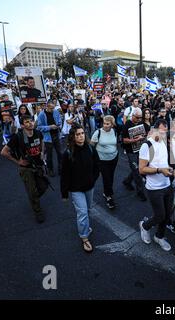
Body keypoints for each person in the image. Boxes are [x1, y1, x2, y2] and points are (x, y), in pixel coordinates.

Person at [61, 124, 99, 253]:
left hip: (89, 186)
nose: (81, 136)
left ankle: (85, 227)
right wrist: (64, 193)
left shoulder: (90, 148)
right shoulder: (67, 153)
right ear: (73, 137)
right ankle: (84, 237)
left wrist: (93, 179)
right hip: (76, 189)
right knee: (82, 213)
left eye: (82, 133)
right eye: (77, 134)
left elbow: (96, 166)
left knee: (88, 210)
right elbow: (64, 175)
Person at [1, 115, 46, 223]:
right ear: (22, 125)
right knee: (32, 191)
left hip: (38, 165)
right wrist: (18, 162)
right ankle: (37, 211)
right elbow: (3, 152)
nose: (30, 123)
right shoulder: (18, 137)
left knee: (43, 187)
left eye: (31, 121)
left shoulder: (38, 133)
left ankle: (33, 199)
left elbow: (42, 142)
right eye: (27, 122)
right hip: (26, 169)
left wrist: (43, 153)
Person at [139, 119, 175, 252]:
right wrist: (160, 170)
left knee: (167, 215)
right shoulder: (147, 145)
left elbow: (162, 163)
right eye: (161, 131)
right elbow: (142, 169)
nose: (164, 134)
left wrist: (171, 170)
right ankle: (145, 226)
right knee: (159, 215)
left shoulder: (164, 143)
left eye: (165, 132)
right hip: (154, 188)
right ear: (154, 130)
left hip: (167, 185)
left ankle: (159, 236)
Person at [91, 115, 119, 210]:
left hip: (114, 158)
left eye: (108, 124)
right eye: (104, 123)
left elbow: (115, 144)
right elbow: (91, 146)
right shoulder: (98, 132)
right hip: (102, 160)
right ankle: (109, 196)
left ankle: (107, 191)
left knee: (110, 176)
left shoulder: (114, 131)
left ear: (112, 124)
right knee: (106, 177)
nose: (105, 125)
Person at [122, 108, 147, 201]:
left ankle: (127, 181)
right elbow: (124, 140)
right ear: (132, 116)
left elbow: (144, 134)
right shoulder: (127, 125)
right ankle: (140, 192)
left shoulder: (141, 123)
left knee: (136, 169)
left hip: (140, 150)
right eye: (137, 117)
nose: (139, 119)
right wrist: (135, 140)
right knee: (137, 171)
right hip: (130, 151)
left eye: (140, 117)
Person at [37, 101, 62, 177]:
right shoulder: (41, 114)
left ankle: (60, 168)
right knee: (49, 155)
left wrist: (58, 124)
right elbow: (39, 127)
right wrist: (50, 127)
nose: (52, 110)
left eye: (53, 108)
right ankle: (50, 169)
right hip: (48, 138)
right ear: (46, 107)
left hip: (56, 135)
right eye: (51, 108)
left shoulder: (55, 111)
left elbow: (60, 121)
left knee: (60, 153)